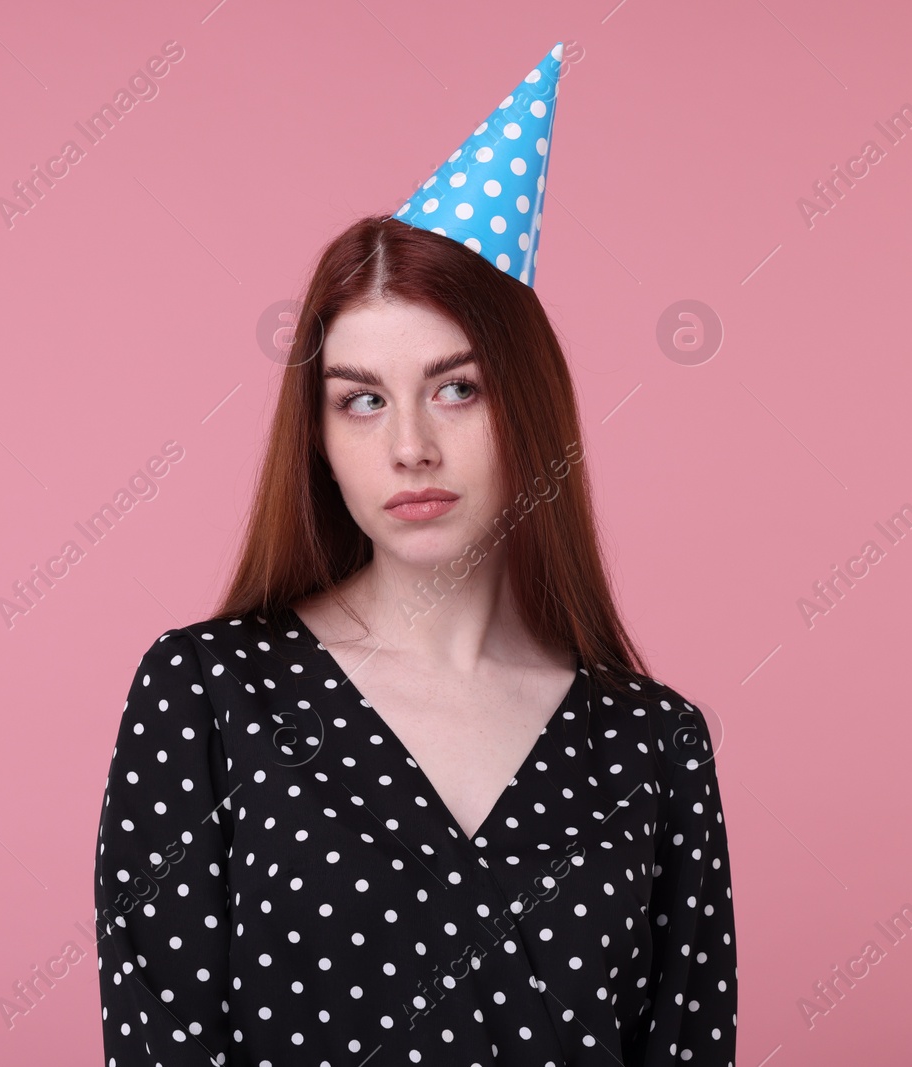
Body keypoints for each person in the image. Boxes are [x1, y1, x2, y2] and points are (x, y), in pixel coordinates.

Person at [93, 43, 736, 1067]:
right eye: (362, 398)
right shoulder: (210, 696)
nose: (410, 447)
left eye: (456, 387)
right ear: (318, 435)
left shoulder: (650, 744)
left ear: (526, 404)